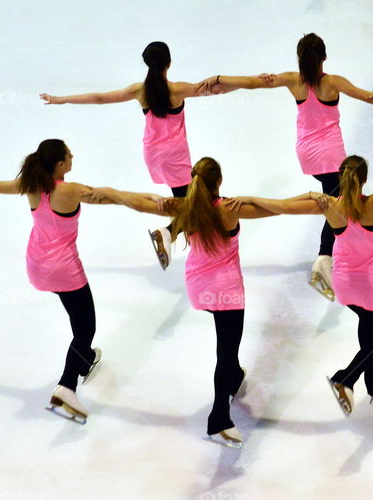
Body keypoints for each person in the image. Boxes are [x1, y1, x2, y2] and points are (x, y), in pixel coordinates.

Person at [92, 157, 281, 447]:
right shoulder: (230, 208)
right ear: (219, 181)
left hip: (198, 286)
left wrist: (107, 192)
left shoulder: (185, 208)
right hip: (226, 290)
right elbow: (278, 208)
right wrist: (254, 199)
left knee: (229, 356)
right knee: (226, 351)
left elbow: (139, 202)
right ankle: (219, 419)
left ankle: (234, 378)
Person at [226, 155, 373, 416]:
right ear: (364, 180)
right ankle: (346, 378)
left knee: (367, 322)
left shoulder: (329, 205)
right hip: (372, 283)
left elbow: (281, 207)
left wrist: (250, 198)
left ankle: (372, 375)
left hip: (345, 283)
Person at [203, 33, 373, 301]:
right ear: (324, 57)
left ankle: (326, 256)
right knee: (338, 203)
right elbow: (371, 97)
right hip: (331, 154)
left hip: (307, 152)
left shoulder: (293, 80)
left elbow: (253, 82)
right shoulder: (333, 82)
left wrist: (219, 79)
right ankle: (323, 259)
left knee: (334, 199)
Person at [39, 41, 268, 270]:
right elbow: (217, 89)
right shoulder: (177, 90)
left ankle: (179, 236)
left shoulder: (140, 90)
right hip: (175, 156)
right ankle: (169, 234)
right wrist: (249, 80)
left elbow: (100, 98)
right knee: (193, 203)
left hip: (152, 154)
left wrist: (63, 99)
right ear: (169, 62)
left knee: (189, 199)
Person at [0, 139, 111, 424]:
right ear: (60, 164)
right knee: (85, 327)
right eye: (68, 155)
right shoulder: (70, 190)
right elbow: (112, 197)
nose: (72, 156)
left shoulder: (31, 186)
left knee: (77, 318)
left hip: (37, 265)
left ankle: (85, 359)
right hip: (64, 269)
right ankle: (67, 386)